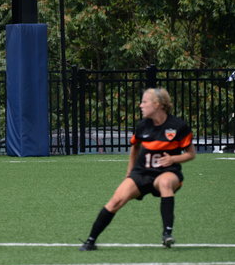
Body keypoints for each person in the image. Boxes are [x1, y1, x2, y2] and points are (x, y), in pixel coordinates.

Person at [80, 87, 195, 250]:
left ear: (157, 104)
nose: (141, 105)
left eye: (144, 102)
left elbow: (191, 154)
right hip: (142, 172)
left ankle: (167, 234)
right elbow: (135, 147)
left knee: (165, 183)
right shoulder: (142, 126)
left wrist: (173, 159)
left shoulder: (178, 126)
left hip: (167, 172)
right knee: (116, 201)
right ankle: (90, 241)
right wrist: (130, 173)